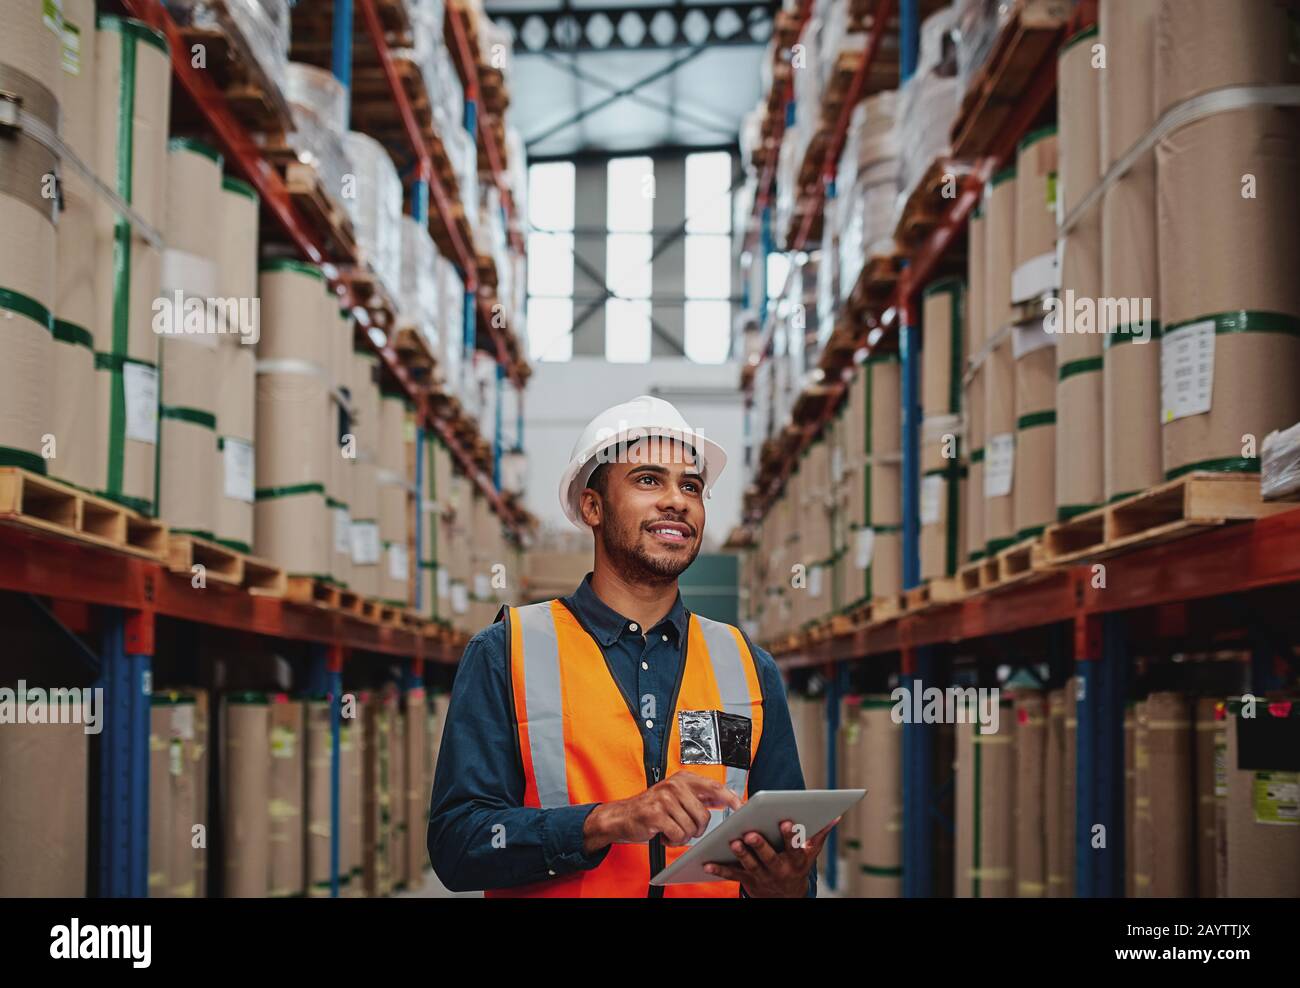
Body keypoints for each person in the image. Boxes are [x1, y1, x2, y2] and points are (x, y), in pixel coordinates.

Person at [427, 395, 833, 897]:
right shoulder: (506, 652)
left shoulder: (747, 666)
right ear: (591, 507)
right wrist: (607, 821)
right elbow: (457, 844)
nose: (677, 500)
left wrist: (788, 885)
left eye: (691, 486)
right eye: (647, 480)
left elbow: (789, 864)